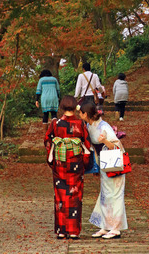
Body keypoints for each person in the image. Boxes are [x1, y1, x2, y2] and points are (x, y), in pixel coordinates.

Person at [44, 95, 91, 240]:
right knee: (75, 195)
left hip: (60, 164)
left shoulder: (55, 123)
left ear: (62, 107)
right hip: (75, 164)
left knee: (61, 196)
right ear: (75, 106)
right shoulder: (80, 124)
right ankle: (73, 231)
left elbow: (47, 141)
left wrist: (52, 161)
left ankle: (61, 231)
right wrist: (85, 162)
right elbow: (87, 144)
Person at [79, 102, 128, 239]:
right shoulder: (89, 126)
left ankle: (116, 228)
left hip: (114, 161)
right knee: (105, 194)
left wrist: (105, 140)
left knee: (116, 195)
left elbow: (116, 145)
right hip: (103, 162)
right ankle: (105, 226)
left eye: (81, 112)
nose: (79, 115)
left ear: (86, 114)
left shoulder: (103, 126)